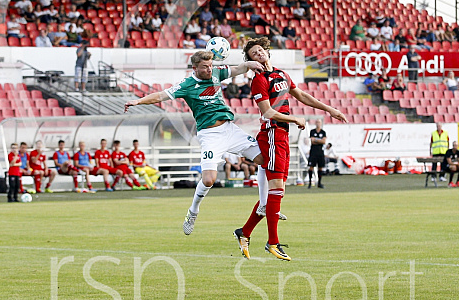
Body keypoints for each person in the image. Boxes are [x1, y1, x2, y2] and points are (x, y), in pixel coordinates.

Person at [125, 50, 268, 235]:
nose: (209, 70)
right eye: (205, 67)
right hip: (210, 135)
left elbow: (237, 69)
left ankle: (264, 204)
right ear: (195, 68)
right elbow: (161, 95)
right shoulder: (187, 84)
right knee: (209, 180)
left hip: (230, 130)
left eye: (210, 66)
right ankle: (193, 211)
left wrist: (250, 65)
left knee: (265, 159)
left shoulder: (216, 72)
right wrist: (138, 101)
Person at [234, 37, 347, 261]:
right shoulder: (258, 80)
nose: (259, 54)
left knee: (275, 192)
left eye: (261, 50)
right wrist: (294, 118)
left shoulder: (282, 75)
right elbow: (267, 113)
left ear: (267, 52)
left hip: (282, 135)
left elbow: (302, 96)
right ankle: (272, 243)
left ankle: (244, 232)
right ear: (250, 61)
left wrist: (330, 109)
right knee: (276, 188)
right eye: (253, 54)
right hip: (273, 133)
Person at [307, 119, 327, 189]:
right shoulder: (312, 131)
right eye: (317, 122)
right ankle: (310, 183)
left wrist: (316, 140)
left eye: (319, 122)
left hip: (320, 152)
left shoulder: (323, 132)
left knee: (320, 167)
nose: (318, 123)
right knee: (311, 167)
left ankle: (319, 183)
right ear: (315, 123)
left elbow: (324, 141)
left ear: (321, 123)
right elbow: (312, 141)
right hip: (313, 151)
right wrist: (319, 140)